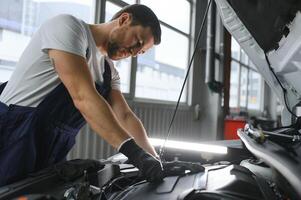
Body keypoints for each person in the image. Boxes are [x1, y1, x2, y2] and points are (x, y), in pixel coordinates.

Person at [0, 4, 163, 186]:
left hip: (52, 145)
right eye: (138, 42)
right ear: (124, 19)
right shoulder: (68, 28)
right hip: (13, 133)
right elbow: (83, 97)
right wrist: (135, 154)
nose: (133, 53)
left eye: (140, 52)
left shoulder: (108, 71)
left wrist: (156, 161)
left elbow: (125, 116)